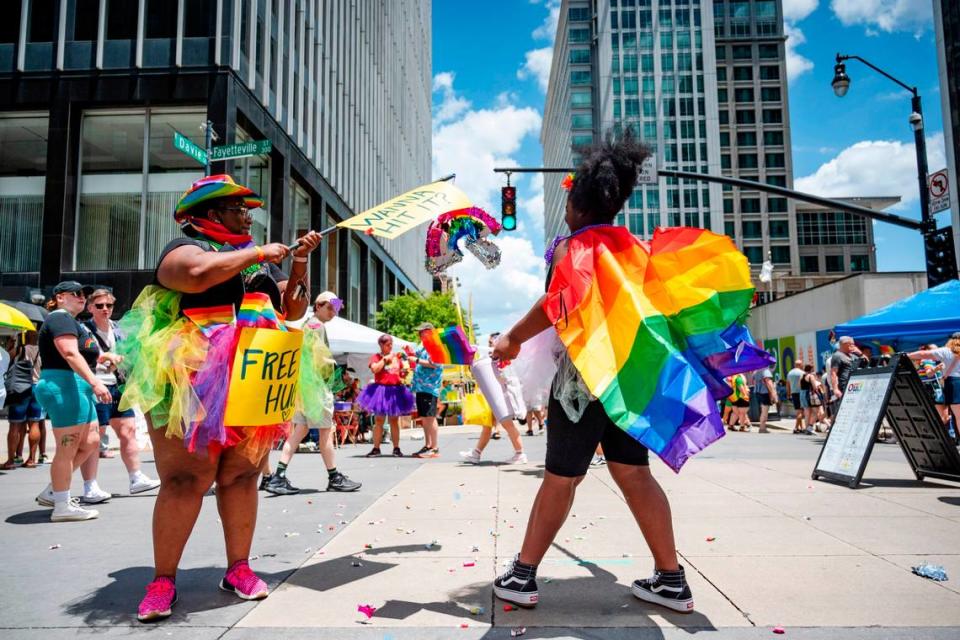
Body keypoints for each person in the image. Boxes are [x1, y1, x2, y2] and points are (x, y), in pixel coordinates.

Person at [491, 134, 693, 613]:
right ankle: (671, 579)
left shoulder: (575, 244)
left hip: (583, 383)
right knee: (634, 473)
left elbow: (561, 299)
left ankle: (522, 576)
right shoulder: (632, 247)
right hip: (629, 379)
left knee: (561, 477)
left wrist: (513, 338)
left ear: (577, 204)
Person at [114, 174, 321, 622]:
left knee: (243, 474)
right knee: (186, 478)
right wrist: (260, 252)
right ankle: (163, 579)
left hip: (255, 375)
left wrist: (298, 264)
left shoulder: (259, 260)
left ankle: (238, 569)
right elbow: (193, 276)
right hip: (193, 377)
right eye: (237, 207)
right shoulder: (187, 246)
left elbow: (293, 309)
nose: (248, 215)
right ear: (211, 215)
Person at [31, 282, 113, 522]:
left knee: (91, 440)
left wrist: (106, 357)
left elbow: (82, 355)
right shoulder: (60, 319)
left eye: (84, 294)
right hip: (64, 384)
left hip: (74, 385)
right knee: (67, 447)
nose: (82, 298)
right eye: (77, 294)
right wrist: (96, 383)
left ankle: (54, 490)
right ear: (60, 297)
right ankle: (62, 505)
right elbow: (69, 353)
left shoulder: (71, 322)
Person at [264, 291, 361, 494]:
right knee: (326, 432)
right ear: (318, 306)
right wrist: (337, 376)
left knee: (299, 431)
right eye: (330, 307)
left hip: (304, 389)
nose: (333, 311)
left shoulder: (308, 325)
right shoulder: (318, 326)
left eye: (336, 307)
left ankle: (278, 476)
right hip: (316, 387)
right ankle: (334, 477)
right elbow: (321, 359)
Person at [82, 288, 161, 495]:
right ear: (90, 308)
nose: (105, 309)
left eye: (109, 305)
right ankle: (90, 485)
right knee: (95, 438)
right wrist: (106, 358)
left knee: (128, 431)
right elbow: (84, 356)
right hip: (96, 385)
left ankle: (136, 477)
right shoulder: (84, 330)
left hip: (118, 385)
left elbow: (128, 353)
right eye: (99, 306)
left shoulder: (117, 329)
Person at [459, 358, 528, 465]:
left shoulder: (498, 358)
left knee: (507, 424)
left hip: (497, 396)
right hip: (495, 395)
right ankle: (476, 453)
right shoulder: (494, 359)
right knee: (488, 426)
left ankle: (520, 454)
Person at [362, 334, 415, 457]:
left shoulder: (397, 358)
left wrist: (403, 373)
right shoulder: (376, 357)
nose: (390, 346)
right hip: (381, 390)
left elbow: (399, 373)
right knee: (379, 420)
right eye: (387, 344)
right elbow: (375, 369)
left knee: (394, 420)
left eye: (391, 344)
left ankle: (396, 448)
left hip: (395, 390)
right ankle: (376, 448)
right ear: (381, 345)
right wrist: (385, 359)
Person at [3, 331, 47, 469]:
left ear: (26, 337)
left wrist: (10, 346)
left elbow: (5, 360)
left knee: (15, 425)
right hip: (37, 388)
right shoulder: (43, 351)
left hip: (20, 389)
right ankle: (31, 459)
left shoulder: (20, 349)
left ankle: (11, 460)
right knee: (34, 424)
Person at [909, 334, 960, 434]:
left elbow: (923, 354)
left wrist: (907, 355)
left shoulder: (946, 351)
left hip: (954, 383)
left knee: (958, 416)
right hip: (952, 383)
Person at [410, 322, 444, 459]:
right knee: (425, 418)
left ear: (429, 332)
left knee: (430, 417)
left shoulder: (435, 346)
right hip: (421, 386)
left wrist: (417, 360)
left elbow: (435, 364)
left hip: (430, 387)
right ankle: (428, 445)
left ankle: (434, 447)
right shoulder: (424, 346)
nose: (419, 334)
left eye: (422, 331)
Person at [830, 336, 867, 405]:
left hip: (856, 385)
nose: (853, 346)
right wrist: (835, 389)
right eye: (851, 344)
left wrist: (860, 353)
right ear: (845, 344)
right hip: (846, 387)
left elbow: (866, 363)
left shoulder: (853, 355)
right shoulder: (837, 356)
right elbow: (833, 373)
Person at [753, 365, 777, 433]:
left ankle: (762, 427)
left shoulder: (756, 371)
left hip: (758, 392)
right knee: (765, 411)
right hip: (764, 392)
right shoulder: (766, 371)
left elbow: (754, 382)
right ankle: (762, 428)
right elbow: (769, 382)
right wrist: (773, 394)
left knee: (762, 410)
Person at [786, 359, 805, 433]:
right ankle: (796, 427)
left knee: (798, 410)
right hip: (801, 393)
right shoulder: (802, 373)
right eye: (802, 364)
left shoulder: (790, 373)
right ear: (800, 365)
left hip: (794, 393)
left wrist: (788, 394)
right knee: (800, 411)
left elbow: (787, 385)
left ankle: (802, 427)